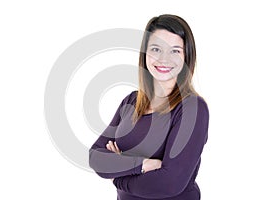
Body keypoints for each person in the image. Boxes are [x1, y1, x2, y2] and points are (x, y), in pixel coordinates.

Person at [89, 14, 209, 200]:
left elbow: (170, 183)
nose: (164, 59)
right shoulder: (131, 101)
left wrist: (117, 176)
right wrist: (142, 165)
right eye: (156, 49)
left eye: (175, 51)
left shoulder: (192, 108)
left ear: (187, 56)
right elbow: (96, 157)